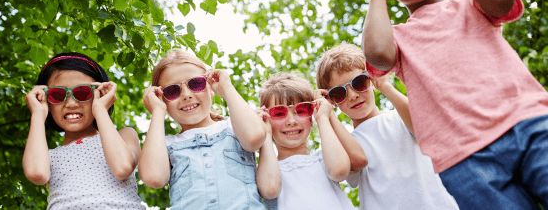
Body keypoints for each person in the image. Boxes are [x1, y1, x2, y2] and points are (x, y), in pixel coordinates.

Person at [359, 0, 548, 208]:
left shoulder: (472, 2)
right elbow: (377, 54)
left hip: (528, 124)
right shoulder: (397, 39)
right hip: (466, 161)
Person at [316, 43, 459, 209]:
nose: (353, 95)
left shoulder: (400, 117)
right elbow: (352, 164)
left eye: (359, 82)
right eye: (339, 93)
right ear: (331, 100)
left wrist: (385, 86)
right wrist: (327, 114)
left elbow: (424, 127)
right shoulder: (344, 145)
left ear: (371, 78)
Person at [138, 50, 267, 209]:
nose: (186, 95)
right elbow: (154, 177)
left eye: (196, 83)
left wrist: (226, 87)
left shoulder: (235, 127)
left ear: (211, 88)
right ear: (162, 98)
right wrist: (157, 111)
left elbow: (254, 138)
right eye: (172, 91)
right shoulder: (166, 145)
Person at [22, 52, 144, 209]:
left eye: (83, 92)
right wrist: (38, 114)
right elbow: (36, 173)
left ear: (100, 93)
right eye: (57, 95)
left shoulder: (125, 135)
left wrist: (100, 108)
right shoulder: (47, 156)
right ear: (47, 101)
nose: (71, 103)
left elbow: (122, 168)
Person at [258, 72, 367, 210]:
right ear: (267, 119)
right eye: (279, 113)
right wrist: (265, 133)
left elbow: (339, 171)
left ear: (311, 118)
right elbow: (270, 189)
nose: (291, 121)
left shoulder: (324, 160)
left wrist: (323, 118)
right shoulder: (264, 171)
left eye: (301, 110)